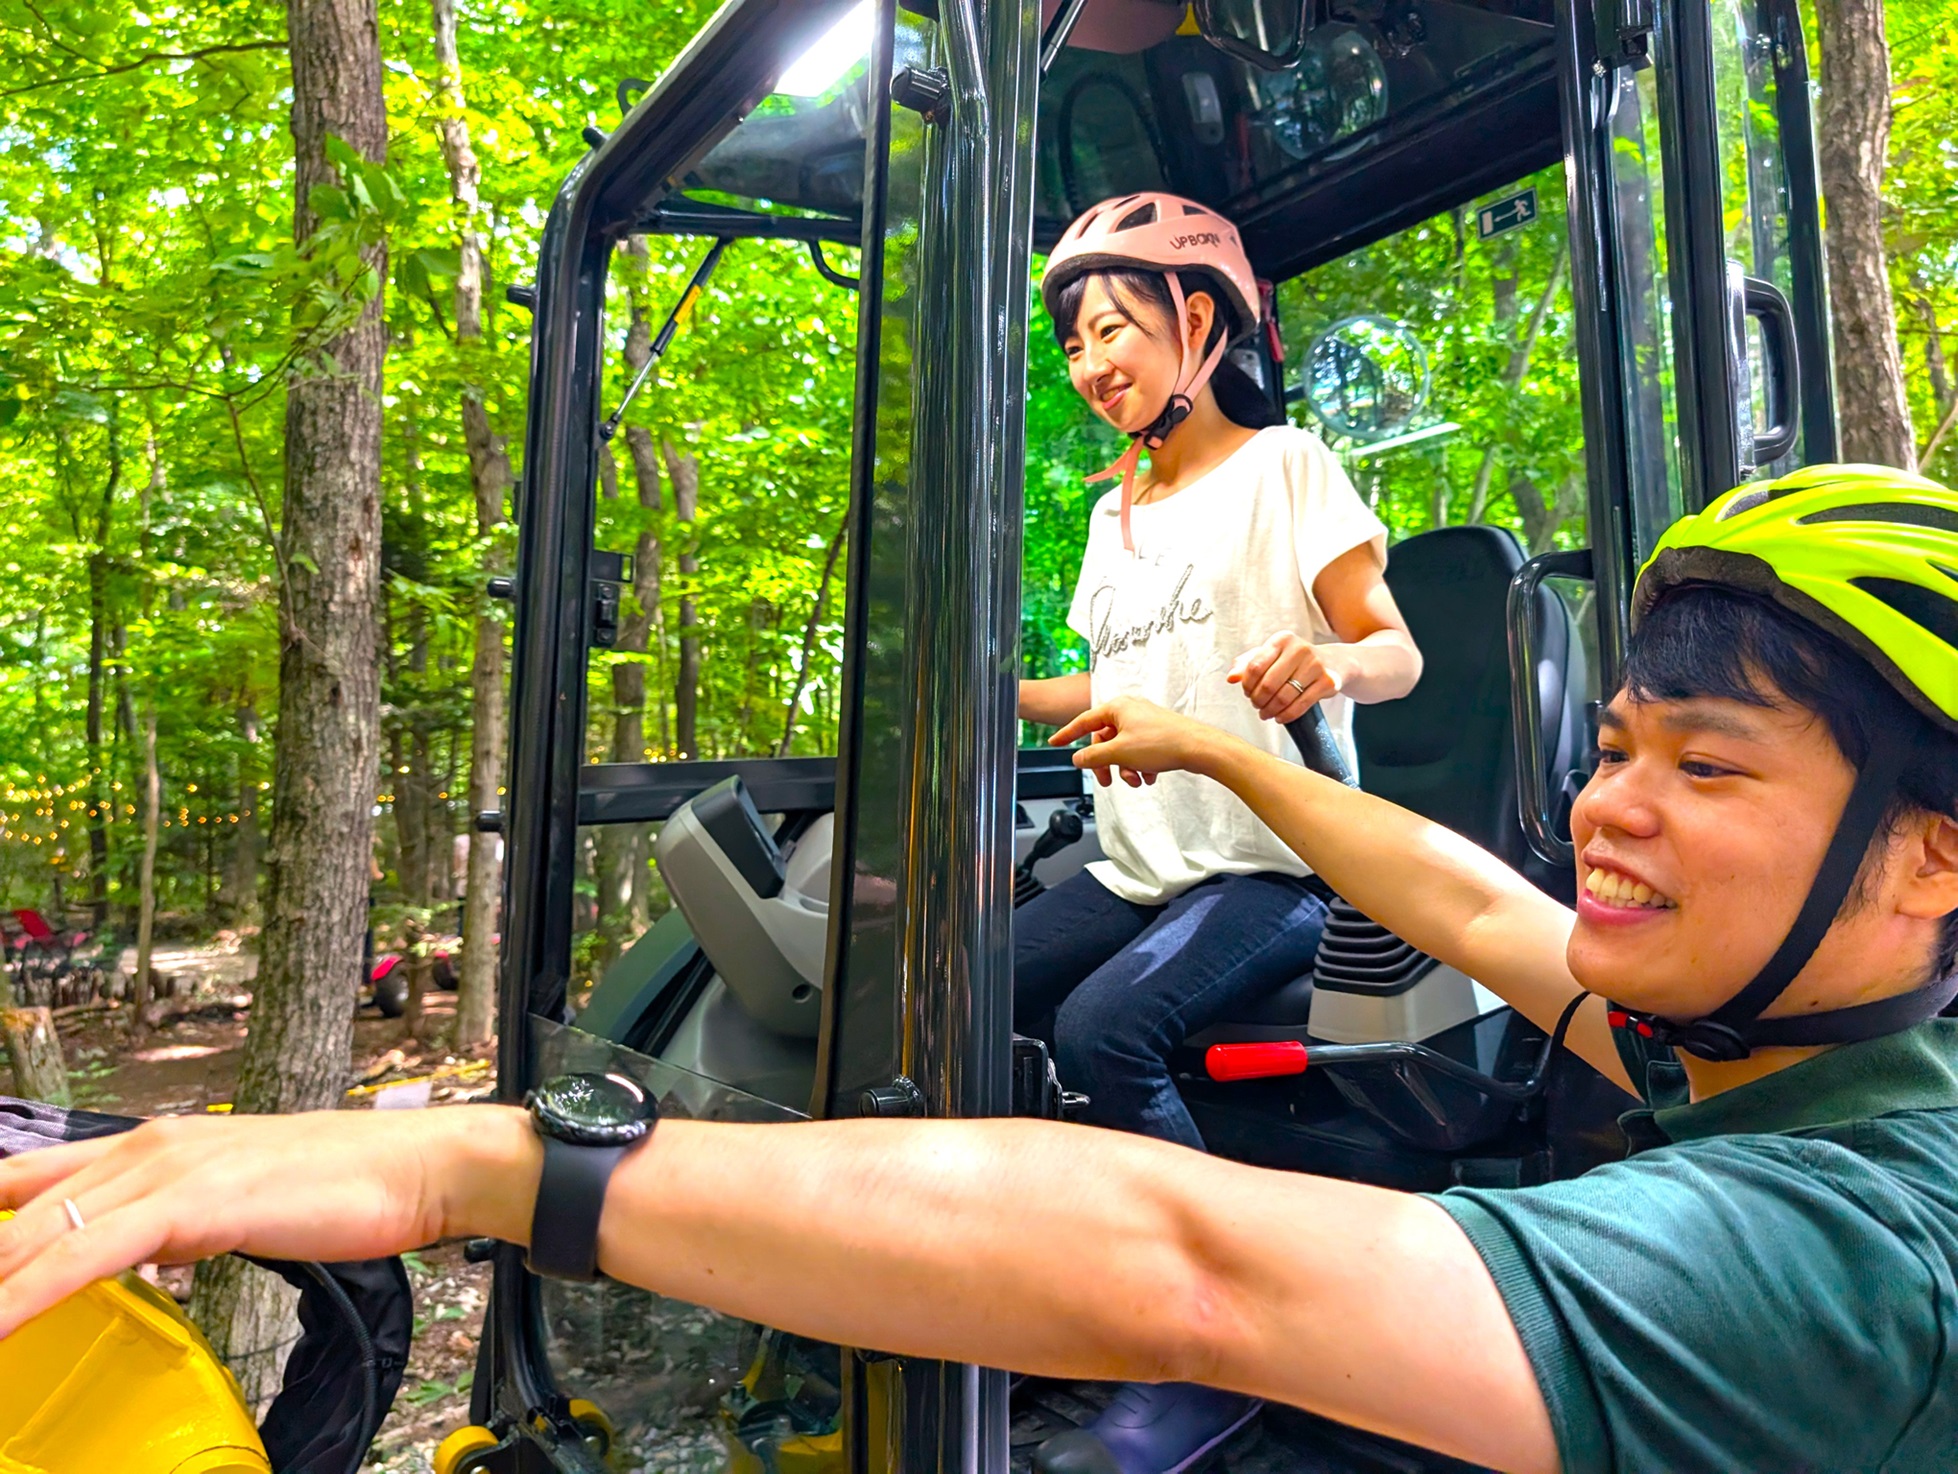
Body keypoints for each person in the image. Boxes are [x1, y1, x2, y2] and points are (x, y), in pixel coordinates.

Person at [6, 465, 1958, 1474]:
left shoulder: (1841, 1255)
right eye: (1613, 745)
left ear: (1926, 859)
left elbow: (1189, 1263)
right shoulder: (1755, 1033)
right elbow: (1464, 903)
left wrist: (471, 1167)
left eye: (1703, 767)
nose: (1610, 808)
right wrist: (1205, 746)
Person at [1016, 195, 1421, 1474]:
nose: (1092, 367)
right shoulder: (1109, 520)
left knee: (1102, 1030)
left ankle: (1215, 1350)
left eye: (1114, 330)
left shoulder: (1284, 466)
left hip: (1269, 864)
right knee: (962, 990)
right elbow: (1100, 687)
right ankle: (1041, 1282)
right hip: (1138, 862)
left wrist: (1326, 665)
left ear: (1194, 320)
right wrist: (964, 684)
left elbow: (1394, 653)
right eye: (1075, 344)